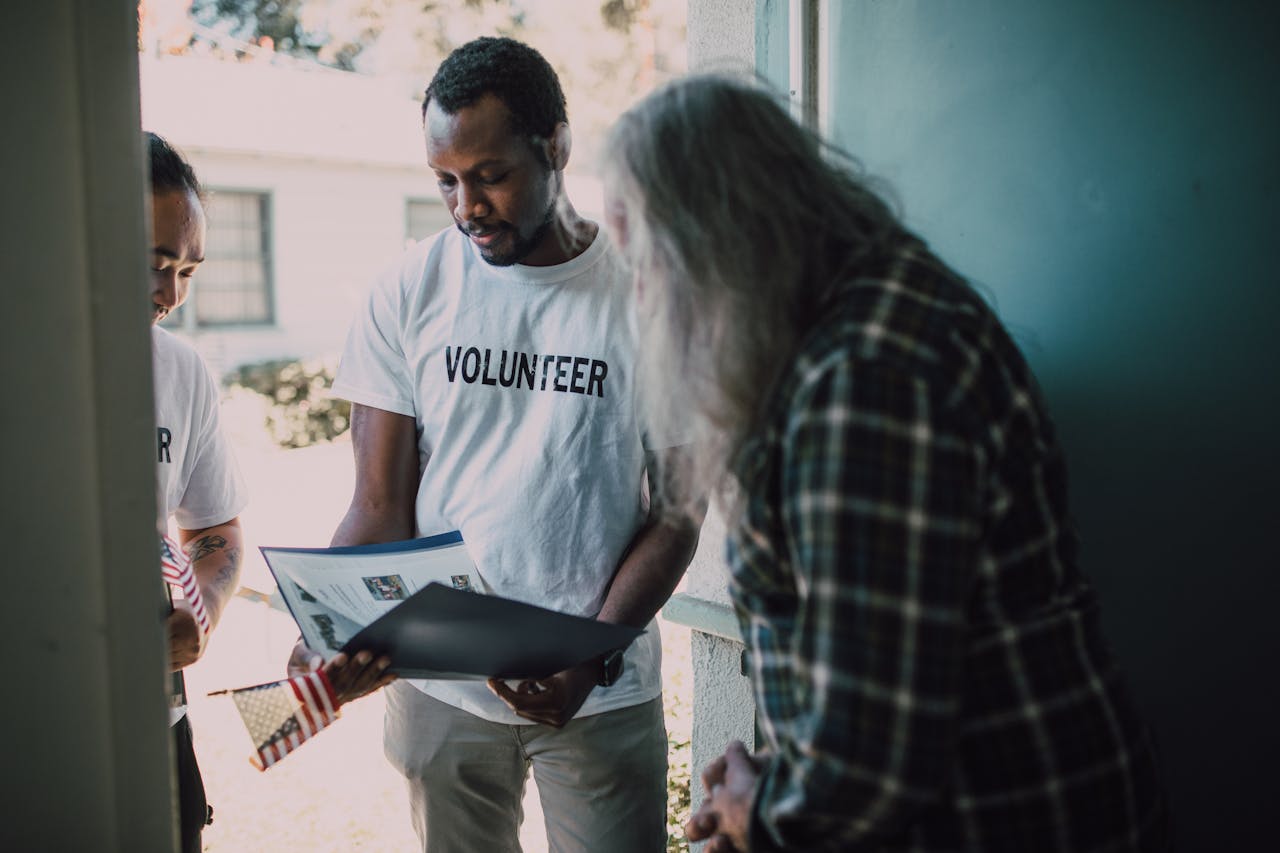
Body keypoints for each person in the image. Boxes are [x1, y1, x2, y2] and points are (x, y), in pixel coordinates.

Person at [601, 74, 1170, 852]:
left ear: (715, 239)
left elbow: (870, 767)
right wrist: (771, 777)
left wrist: (754, 810)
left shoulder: (863, 382)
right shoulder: (864, 308)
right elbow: (869, 668)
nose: (642, 296)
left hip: (1003, 816)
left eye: (647, 263)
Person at [288, 37, 700, 852]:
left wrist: (593, 654)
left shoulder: (652, 296)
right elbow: (378, 506)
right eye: (445, 180)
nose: (466, 205)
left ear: (556, 146)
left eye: (490, 175)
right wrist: (326, 624)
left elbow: (681, 513)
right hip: (442, 691)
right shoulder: (410, 290)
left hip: (600, 687)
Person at [146, 131, 248, 853]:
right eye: (154, 263)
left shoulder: (182, 372)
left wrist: (201, 613)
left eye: (188, 268)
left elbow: (218, 532)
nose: (172, 292)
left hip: (157, 722)